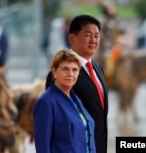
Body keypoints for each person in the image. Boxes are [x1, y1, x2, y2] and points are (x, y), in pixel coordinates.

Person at [46, 14, 108, 153]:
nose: (93, 40)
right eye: (87, 35)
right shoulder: (60, 73)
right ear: (72, 38)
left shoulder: (98, 70)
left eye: (97, 36)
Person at [34, 49, 96, 153]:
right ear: (54, 71)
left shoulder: (76, 100)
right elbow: (42, 147)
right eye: (65, 69)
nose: (70, 74)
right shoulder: (46, 102)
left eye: (75, 70)